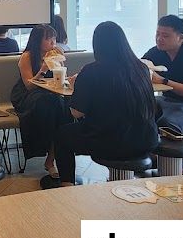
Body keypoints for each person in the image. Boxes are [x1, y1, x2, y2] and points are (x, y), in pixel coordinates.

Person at [54, 21, 159, 187]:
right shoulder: (141, 68)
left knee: (62, 135)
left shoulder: (91, 71)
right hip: (147, 139)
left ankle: (67, 187)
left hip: (109, 141)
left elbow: (76, 113)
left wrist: (76, 88)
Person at [11, 24, 71, 183]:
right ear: (38, 40)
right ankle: (46, 154)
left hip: (50, 94)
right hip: (27, 96)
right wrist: (43, 69)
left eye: (54, 38)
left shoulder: (54, 54)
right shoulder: (27, 57)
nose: (53, 42)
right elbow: (29, 85)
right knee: (51, 105)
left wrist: (60, 63)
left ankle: (52, 158)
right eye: (48, 38)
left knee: (64, 107)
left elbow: (60, 79)